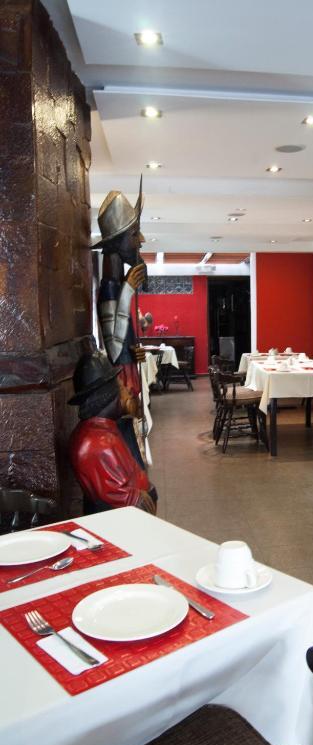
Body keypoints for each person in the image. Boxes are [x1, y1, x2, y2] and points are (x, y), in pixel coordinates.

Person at [91, 183, 148, 466]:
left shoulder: (115, 284)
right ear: (118, 242)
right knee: (126, 434)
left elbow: (122, 341)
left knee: (132, 434)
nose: (141, 241)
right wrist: (127, 291)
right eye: (134, 234)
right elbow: (113, 349)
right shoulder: (110, 288)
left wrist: (134, 350)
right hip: (120, 377)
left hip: (127, 371)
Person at [69, 351, 157, 515]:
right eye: (121, 387)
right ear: (109, 394)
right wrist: (139, 498)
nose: (127, 390)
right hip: (125, 521)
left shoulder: (104, 429)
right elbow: (119, 496)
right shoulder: (97, 442)